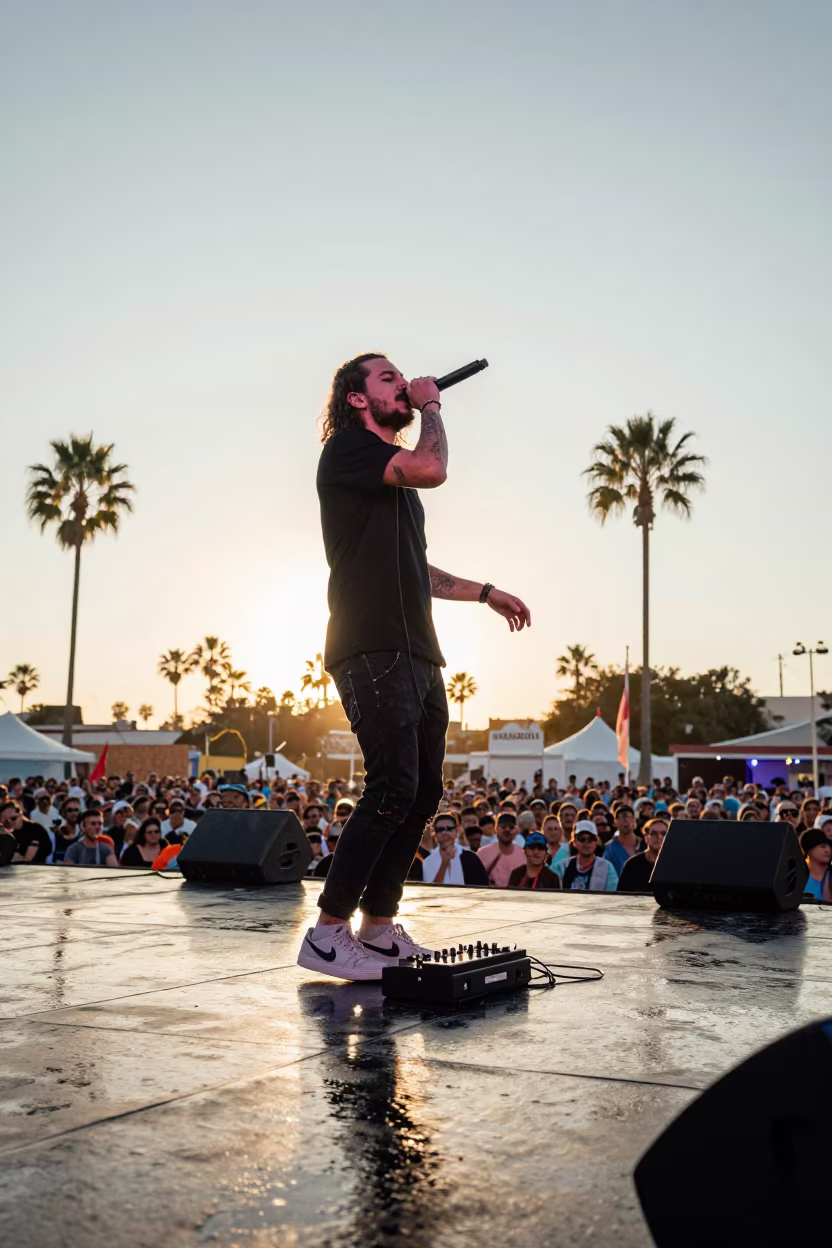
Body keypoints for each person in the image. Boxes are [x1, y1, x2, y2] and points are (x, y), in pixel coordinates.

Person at [298, 354, 530, 982]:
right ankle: (326, 933)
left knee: (423, 791)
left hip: (419, 650)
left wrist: (484, 592)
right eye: (388, 379)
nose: (402, 384)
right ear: (355, 398)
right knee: (391, 785)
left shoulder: (394, 485)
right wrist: (430, 404)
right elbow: (433, 466)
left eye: (405, 379)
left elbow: (418, 572)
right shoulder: (348, 453)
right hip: (371, 645)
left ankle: (377, 928)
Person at [421, 813, 489, 886]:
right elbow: (430, 891)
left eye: (449, 829)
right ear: (434, 833)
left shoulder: (471, 858)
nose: (445, 832)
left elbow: (482, 888)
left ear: (456, 831)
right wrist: (444, 864)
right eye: (440, 829)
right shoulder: (428, 861)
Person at [553, 822, 619, 891]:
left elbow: (612, 897)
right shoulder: (561, 868)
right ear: (574, 842)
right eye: (581, 839)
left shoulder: (607, 868)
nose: (586, 843)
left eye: (591, 839)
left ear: (597, 841)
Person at [476, 811, 527, 887]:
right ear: (496, 829)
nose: (507, 830)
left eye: (511, 827)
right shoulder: (483, 853)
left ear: (516, 831)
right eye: (503, 827)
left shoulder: (524, 856)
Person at [617, 818, 668, 892]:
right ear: (646, 837)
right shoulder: (632, 864)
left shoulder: (674, 865)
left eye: (663, 833)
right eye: (654, 833)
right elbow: (622, 894)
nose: (659, 837)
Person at [603, 805, 642, 875]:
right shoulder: (610, 848)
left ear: (634, 821)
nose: (626, 821)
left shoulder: (644, 844)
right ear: (615, 822)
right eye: (623, 817)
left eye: (629, 817)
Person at [800, 827, 832, 902]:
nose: (827, 850)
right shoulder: (797, 876)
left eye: (830, 847)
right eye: (822, 847)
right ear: (809, 849)